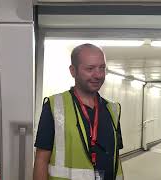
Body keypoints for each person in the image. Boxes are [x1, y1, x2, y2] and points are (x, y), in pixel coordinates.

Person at [33, 43, 124, 180]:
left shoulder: (112, 109)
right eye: (90, 68)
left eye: (102, 68)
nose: (98, 75)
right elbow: (41, 160)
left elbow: (116, 159)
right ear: (73, 71)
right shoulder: (54, 106)